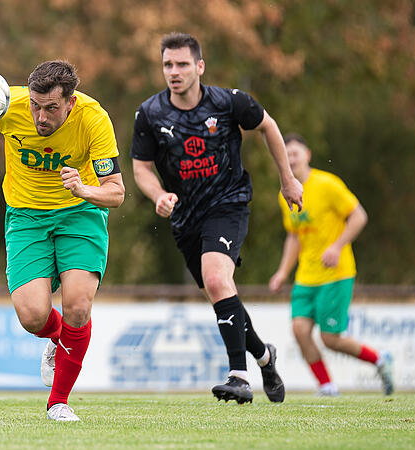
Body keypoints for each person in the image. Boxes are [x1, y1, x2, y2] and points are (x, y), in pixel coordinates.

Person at [130, 32, 303, 404]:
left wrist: (287, 178)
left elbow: (268, 126)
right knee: (221, 291)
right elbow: (141, 167)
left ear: (200, 66)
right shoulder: (150, 113)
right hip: (185, 217)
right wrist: (159, 194)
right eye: (167, 65)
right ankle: (265, 356)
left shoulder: (228, 102)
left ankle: (239, 375)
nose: (174, 72)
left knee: (216, 278)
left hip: (228, 204)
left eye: (182, 64)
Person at [0, 61, 125, 421]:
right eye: (35, 105)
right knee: (33, 316)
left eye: (50, 108)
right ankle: (58, 338)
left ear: (70, 103)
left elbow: (116, 193)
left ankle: (58, 403)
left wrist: (83, 188)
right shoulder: (7, 103)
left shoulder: (94, 119)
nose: (40, 117)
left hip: (80, 213)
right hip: (27, 218)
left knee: (78, 305)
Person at [268, 133, 394, 396]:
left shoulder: (327, 184)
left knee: (331, 339)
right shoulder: (286, 193)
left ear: (308, 155)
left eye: (295, 153)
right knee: (299, 330)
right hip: (306, 276)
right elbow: (294, 236)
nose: (291, 159)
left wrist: (337, 246)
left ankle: (379, 359)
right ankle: (327, 386)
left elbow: (359, 216)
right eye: (286, 154)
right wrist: (282, 272)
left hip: (336, 274)